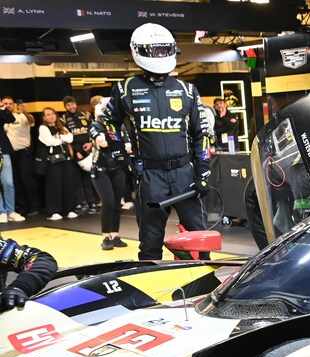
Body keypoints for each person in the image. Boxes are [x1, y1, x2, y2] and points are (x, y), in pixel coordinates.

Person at [105, 23, 211, 260]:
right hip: (151, 177)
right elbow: (109, 123)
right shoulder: (125, 89)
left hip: (185, 173)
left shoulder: (188, 90)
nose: (160, 56)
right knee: (150, 245)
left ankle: (205, 288)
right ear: (138, 51)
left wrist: (203, 173)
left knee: (198, 240)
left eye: (164, 50)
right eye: (155, 51)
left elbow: (201, 134)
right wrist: (122, 156)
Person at [90, 98, 131, 251]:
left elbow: (128, 146)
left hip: (117, 168)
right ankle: (105, 236)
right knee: (108, 202)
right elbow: (103, 143)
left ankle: (115, 234)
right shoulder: (95, 126)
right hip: (100, 169)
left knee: (117, 203)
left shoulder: (119, 127)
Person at [37, 108, 77, 221]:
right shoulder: (43, 128)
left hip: (66, 159)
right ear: (44, 117)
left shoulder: (61, 127)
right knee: (54, 186)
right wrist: (62, 139)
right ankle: (54, 211)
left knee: (68, 184)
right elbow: (49, 141)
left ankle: (69, 209)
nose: (51, 116)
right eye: (48, 115)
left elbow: (71, 138)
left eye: (52, 114)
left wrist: (59, 138)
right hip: (53, 161)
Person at [61, 95, 98, 215]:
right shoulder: (63, 119)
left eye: (72, 104)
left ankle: (92, 203)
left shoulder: (86, 115)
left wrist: (91, 144)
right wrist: (76, 151)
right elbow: (65, 138)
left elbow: (94, 130)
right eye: (68, 105)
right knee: (76, 179)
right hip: (74, 152)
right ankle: (81, 203)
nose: (71, 106)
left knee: (88, 179)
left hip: (88, 151)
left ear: (76, 104)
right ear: (65, 107)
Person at [1, 97, 37, 219]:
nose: (8, 105)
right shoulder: (3, 119)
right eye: (5, 103)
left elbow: (31, 121)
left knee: (22, 180)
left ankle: (33, 206)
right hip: (9, 153)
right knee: (14, 182)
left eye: (10, 104)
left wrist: (25, 112)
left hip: (21, 152)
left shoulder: (20, 116)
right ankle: (17, 208)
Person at [0, 101, 17, 224]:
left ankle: (11, 211)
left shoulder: (1, 111)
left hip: (3, 151)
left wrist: (2, 107)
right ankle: (1, 211)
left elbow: (10, 118)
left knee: (8, 183)